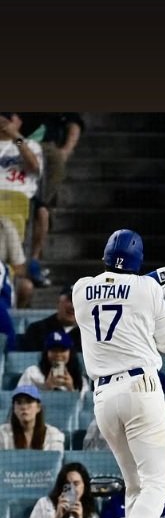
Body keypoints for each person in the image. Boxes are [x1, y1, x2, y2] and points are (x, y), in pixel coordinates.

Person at [72, 227, 165, 518]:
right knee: (157, 485)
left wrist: (161, 281)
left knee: (135, 486)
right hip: (141, 391)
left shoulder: (81, 288)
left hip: (104, 398)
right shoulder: (148, 290)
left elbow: (120, 289)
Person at [0, 113, 47, 287]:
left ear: (18, 122)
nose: (3, 122)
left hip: (21, 197)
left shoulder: (31, 145)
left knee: (42, 212)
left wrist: (16, 137)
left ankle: (33, 260)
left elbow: (34, 166)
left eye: (8, 119)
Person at [18, 329, 88, 395]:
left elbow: (85, 406)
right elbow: (20, 400)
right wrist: (47, 388)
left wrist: (71, 390)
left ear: (70, 353)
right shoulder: (32, 373)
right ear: (46, 353)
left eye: (62, 350)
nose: (58, 354)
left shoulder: (80, 380)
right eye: (53, 350)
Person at [0, 384, 64, 451]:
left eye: (29, 401)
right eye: (19, 402)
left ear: (38, 407)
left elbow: (54, 460)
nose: (24, 407)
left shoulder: (53, 435)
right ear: (14, 409)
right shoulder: (2, 433)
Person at [22, 285, 82, 352]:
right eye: (71, 300)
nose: (73, 307)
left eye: (80, 302)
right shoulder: (36, 331)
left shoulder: (91, 335)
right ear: (58, 302)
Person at [0, 213, 33, 308]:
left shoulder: (7, 228)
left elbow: (20, 268)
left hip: (3, 281)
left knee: (26, 286)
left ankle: (16, 321)